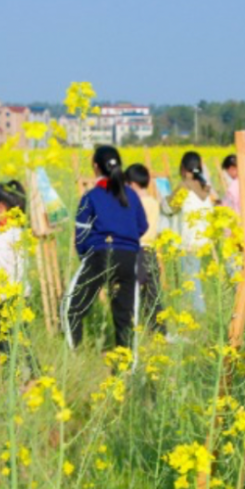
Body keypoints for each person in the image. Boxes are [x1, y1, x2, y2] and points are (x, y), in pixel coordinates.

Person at [63, 146, 148, 351]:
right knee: (126, 315)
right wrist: (126, 241)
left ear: (95, 166)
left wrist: (86, 257)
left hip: (100, 255)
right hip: (129, 257)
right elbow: (142, 226)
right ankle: (128, 366)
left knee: (72, 308)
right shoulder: (131, 195)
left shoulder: (91, 196)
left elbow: (81, 233)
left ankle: (74, 357)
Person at [0, 180, 36, 363]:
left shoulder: (1, 237)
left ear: (0, 207)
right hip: (19, 296)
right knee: (20, 344)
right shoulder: (18, 230)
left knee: (12, 349)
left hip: (4, 299)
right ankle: (30, 378)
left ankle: (26, 382)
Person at [168, 151, 216, 313]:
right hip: (204, 240)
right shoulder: (205, 187)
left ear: (183, 168)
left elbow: (169, 207)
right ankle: (197, 310)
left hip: (189, 241)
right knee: (195, 277)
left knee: (191, 279)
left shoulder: (184, 186)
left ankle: (198, 313)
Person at [124, 164, 165, 329]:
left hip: (138, 250)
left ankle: (130, 325)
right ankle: (159, 328)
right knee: (153, 292)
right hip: (151, 249)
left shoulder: (136, 203)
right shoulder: (154, 202)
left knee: (133, 290)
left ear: (132, 184)